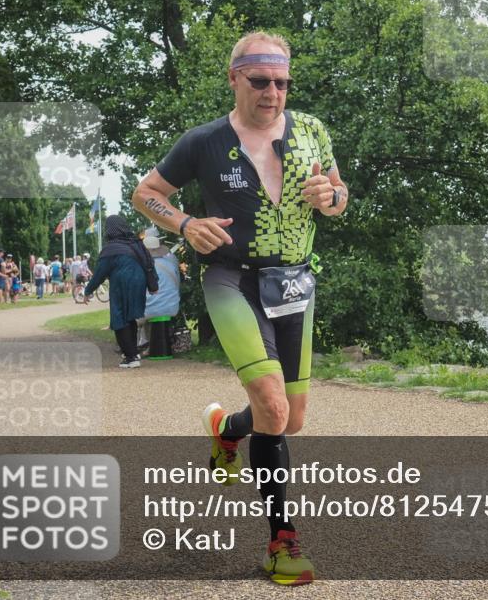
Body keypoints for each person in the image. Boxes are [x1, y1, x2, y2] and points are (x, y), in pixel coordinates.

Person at [132, 31, 348, 586]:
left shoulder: (313, 131)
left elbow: (340, 194)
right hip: (231, 280)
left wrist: (333, 198)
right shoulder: (202, 141)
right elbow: (146, 192)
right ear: (234, 80)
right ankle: (283, 543)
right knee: (275, 411)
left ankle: (228, 429)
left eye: (281, 82)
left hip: (296, 282)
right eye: (260, 82)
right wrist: (184, 223)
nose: (272, 93)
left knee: (290, 420)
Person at [83, 215, 159, 368]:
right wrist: (153, 285)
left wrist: (88, 291)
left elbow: (100, 273)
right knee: (130, 317)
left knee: (119, 319)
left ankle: (131, 357)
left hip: (121, 283)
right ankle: (132, 353)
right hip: (139, 282)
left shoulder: (110, 248)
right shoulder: (136, 243)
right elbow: (149, 263)